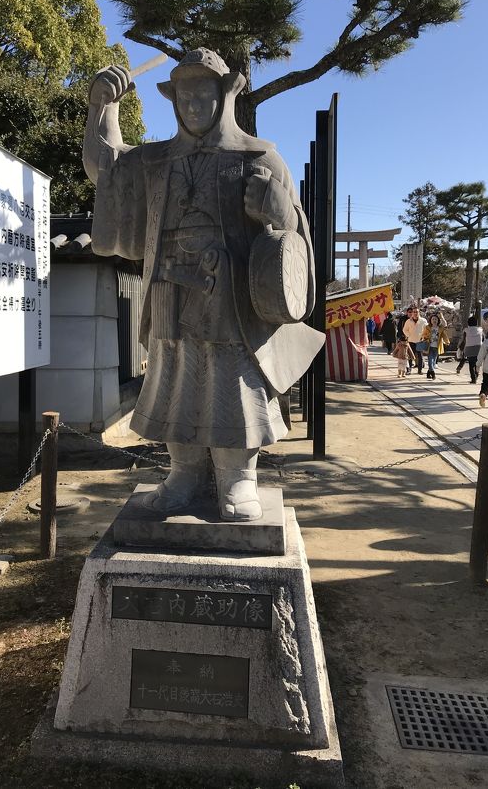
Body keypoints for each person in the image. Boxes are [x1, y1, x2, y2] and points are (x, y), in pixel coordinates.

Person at [83, 48, 323, 521]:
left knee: (232, 381)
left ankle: (239, 477)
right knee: (175, 376)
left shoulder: (260, 157)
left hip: (230, 294)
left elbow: (295, 235)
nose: (193, 104)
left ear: (224, 96)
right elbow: (107, 169)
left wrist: (277, 211)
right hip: (170, 284)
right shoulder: (155, 162)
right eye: (184, 95)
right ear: (172, 101)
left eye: (203, 94)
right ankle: (183, 475)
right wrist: (101, 108)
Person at [419, 311, 449, 380]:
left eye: (435, 319)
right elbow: (423, 335)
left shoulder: (440, 328)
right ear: (430, 320)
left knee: (433, 361)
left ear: (438, 320)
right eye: (433, 319)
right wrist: (424, 338)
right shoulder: (427, 327)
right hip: (429, 346)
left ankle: (428, 372)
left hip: (437, 347)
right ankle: (432, 373)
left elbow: (444, 332)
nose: (434, 320)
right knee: (430, 360)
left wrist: (447, 341)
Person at [456, 315, 483, 383]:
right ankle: (476, 376)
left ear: (468, 323)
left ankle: (473, 379)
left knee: (471, 365)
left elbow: (464, 340)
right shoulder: (480, 330)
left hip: (469, 349)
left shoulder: (466, 330)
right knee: (477, 364)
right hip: (479, 348)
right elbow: (483, 338)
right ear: (476, 323)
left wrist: (461, 347)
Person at [403, 306, 428, 374]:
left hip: (420, 341)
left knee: (420, 356)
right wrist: (409, 335)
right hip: (411, 340)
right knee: (410, 356)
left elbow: (427, 330)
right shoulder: (408, 321)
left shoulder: (423, 321)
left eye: (416, 312)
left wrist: (424, 336)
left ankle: (420, 370)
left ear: (419, 312)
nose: (415, 313)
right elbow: (405, 330)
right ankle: (409, 369)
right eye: (414, 312)